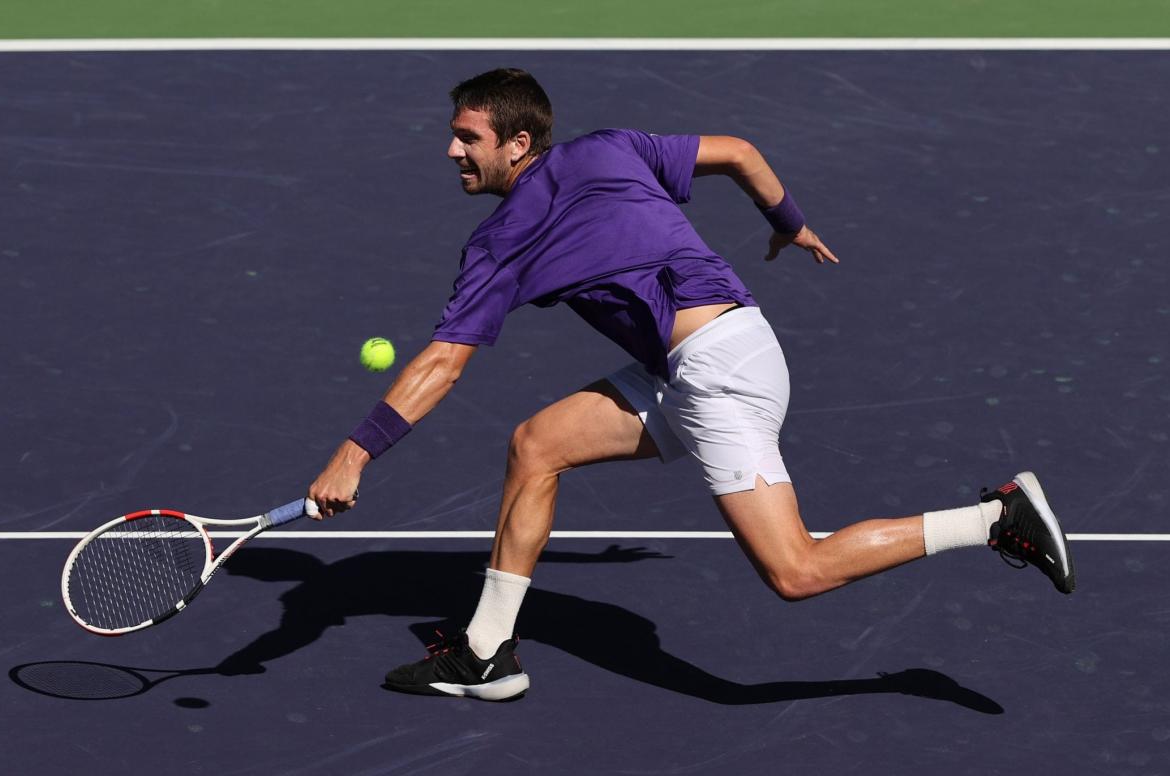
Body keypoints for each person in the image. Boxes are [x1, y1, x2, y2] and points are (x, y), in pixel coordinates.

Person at [307, 68, 1074, 702]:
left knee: (796, 570)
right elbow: (740, 151)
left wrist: (356, 453)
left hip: (717, 376)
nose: (451, 150)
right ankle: (485, 652)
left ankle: (995, 518)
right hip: (716, 353)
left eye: (468, 138)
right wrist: (789, 220)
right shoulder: (611, 148)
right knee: (538, 445)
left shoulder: (505, 239)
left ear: (517, 142)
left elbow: (443, 361)